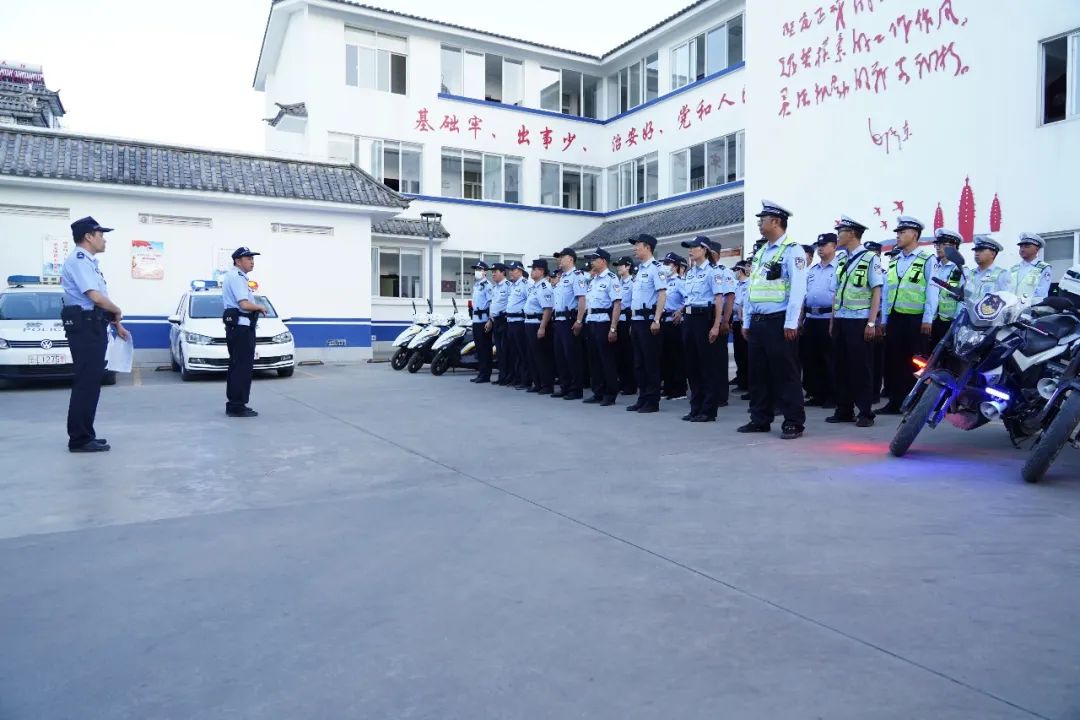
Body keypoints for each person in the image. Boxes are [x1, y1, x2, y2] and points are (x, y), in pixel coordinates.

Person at [60, 216, 130, 452]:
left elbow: (97, 303)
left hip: (94, 324)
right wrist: (118, 309)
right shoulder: (79, 260)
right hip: (86, 328)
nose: (104, 240)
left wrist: (115, 322)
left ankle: (85, 433)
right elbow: (95, 297)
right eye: (101, 235)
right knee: (86, 383)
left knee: (90, 383)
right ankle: (79, 439)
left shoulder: (88, 262)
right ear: (89, 236)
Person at [740, 200, 809, 439]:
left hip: (779, 321)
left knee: (786, 373)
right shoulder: (761, 253)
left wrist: (791, 322)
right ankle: (759, 418)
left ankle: (793, 421)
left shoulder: (793, 251)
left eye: (763, 219)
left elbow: (798, 289)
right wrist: (747, 321)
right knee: (758, 374)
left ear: (776, 221)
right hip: (758, 322)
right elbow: (752, 289)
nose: (759, 223)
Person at [877, 216, 938, 415]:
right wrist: (885, 319)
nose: (898, 236)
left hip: (916, 319)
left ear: (914, 235)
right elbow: (887, 292)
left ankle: (915, 402)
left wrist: (928, 319)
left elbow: (932, 290)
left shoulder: (927, 260)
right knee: (893, 361)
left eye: (902, 232)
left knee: (915, 363)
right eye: (898, 232)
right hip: (895, 319)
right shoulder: (895, 261)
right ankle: (895, 401)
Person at [828, 216, 882, 427]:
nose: (838, 235)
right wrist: (833, 320)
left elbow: (876, 291)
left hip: (859, 321)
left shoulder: (870, 258)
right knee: (841, 367)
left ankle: (866, 412)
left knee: (861, 368)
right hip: (841, 319)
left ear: (851, 233)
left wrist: (871, 322)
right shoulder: (841, 259)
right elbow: (836, 292)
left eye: (840, 231)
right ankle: (844, 409)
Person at [680, 237, 729, 422]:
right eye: (689, 248)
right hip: (689, 318)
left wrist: (717, 325)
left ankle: (708, 410)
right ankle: (696, 407)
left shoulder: (712, 272)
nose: (690, 251)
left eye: (693, 247)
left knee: (707, 366)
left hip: (704, 318)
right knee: (692, 365)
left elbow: (719, 300)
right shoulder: (690, 273)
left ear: (704, 250)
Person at [222, 247, 270, 418]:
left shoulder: (237, 276)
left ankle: (236, 404)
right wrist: (259, 306)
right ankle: (237, 406)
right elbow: (243, 304)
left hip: (240, 328)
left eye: (252, 258)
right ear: (238, 261)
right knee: (241, 367)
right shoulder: (236, 277)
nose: (252, 261)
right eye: (248, 258)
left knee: (237, 366)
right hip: (241, 328)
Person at [626, 233, 667, 413]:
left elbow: (662, 294)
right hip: (636, 321)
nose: (635, 248)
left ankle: (652, 401)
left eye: (638, 245)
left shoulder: (656, 269)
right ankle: (642, 398)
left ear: (648, 247)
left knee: (650, 363)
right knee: (638, 363)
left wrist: (657, 319)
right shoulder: (640, 270)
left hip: (648, 321)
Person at [802, 233, 839, 409]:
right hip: (811, 318)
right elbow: (804, 295)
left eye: (825, 245)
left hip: (828, 318)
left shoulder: (839, 268)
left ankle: (833, 395)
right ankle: (817, 393)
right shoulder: (813, 270)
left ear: (834, 246)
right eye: (819, 245)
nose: (820, 248)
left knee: (830, 359)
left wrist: (834, 320)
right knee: (812, 358)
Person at [581, 248, 622, 406]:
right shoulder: (593, 280)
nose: (592, 262)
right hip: (591, 320)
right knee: (594, 359)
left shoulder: (611, 279)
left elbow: (617, 304)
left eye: (594, 259)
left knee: (606, 359)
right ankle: (598, 391)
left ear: (603, 261)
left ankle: (610, 393)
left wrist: (613, 328)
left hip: (603, 321)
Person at [703, 239, 737, 406]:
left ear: (715, 254)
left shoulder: (724, 272)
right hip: (706, 317)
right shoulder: (702, 272)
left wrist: (725, 321)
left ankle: (721, 395)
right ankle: (708, 393)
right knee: (707, 359)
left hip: (720, 317)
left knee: (719, 358)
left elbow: (729, 297)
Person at [551, 248, 587, 400]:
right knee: (560, 356)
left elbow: (581, 300)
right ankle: (565, 386)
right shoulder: (562, 278)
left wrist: (579, 320)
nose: (559, 260)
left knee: (572, 356)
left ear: (571, 259)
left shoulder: (576, 276)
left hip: (570, 321)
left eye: (562, 257)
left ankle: (576, 388)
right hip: (558, 321)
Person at [523, 259, 556, 394]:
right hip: (529, 323)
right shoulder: (534, 286)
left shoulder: (544, 287)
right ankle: (537, 383)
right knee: (532, 356)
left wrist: (542, 327)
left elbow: (547, 309)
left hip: (537, 323)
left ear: (541, 271)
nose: (532, 272)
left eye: (534, 269)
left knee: (542, 356)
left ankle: (547, 385)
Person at [658, 252, 687, 401]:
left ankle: (679, 389)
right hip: (663, 322)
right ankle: (668, 388)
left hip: (675, 323)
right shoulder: (663, 282)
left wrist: (680, 311)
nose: (665, 267)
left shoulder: (680, 282)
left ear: (675, 266)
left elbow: (688, 299)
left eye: (668, 264)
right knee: (666, 356)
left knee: (677, 357)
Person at [929, 229, 965, 349]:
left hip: (949, 323)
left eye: (943, 244)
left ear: (954, 247)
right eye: (937, 244)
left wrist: (956, 324)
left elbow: (962, 300)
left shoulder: (960, 270)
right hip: (931, 320)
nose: (939, 247)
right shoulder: (933, 267)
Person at [613, 256, 638, 396]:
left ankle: (630, 385)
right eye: (617, 265)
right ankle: (622, 382)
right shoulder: (618, 283)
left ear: (628, 266)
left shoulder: (633, 282)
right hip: (618, 319)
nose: (618, 267)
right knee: (619, 353)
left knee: (629, 354)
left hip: (628, 317)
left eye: (621, 265)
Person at [504, 260, 531, 389]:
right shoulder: (512, 285)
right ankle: (516, 378)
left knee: (522, 352)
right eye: (510, 270)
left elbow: (529, 302)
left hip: (519, 322)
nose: (511, 272)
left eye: (513, 270)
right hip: (510, 321)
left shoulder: (525, 284)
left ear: (520, 271)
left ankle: (525, 380)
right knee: (514, 352)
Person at [964, 235, 1011, 302]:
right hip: (968, 311)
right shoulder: (970, 273)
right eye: (976, 251)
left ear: (992, 254)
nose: (977, 254)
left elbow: (1006, 299)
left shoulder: (1002, 274)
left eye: (981, 250)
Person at [1010, 233, 1053, 304]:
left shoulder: (1043, 267)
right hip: (1011, 309)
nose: (1022, 249)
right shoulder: (1014, 268)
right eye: (1021, 247)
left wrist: (1022, 303)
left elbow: (1041, 294)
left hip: (1030, 310)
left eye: (1027, 246)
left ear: (1037, 249)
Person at [488, 263, 511, 386]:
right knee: (499, 351)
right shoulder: (495, 287)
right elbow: (493, 305)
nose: (493, 274)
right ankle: (502, 376)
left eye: (495, 271)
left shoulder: (508, 286)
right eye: (492, 272)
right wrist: (490, 320)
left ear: (503, 272)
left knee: (505, 350)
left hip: (505, 320)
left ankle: (508, 376)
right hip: (496, 320)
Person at [469, 261, 493, 384]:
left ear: (485, 271)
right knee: (479, 348)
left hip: (483, 320)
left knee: (485, 349)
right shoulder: (477, 285)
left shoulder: (487, 285)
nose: (477, 271)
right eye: (476, 268)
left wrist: (490, 321)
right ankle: (481, 373)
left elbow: (491, 304)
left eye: (479, 269)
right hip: (476, 320)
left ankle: (485, 374)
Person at [730, 261, 750, 393]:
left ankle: (748, 383)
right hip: (736, 322)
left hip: (745, 322)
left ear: (741, 270)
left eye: (736, 269)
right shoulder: (736, 285)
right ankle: (741, 379)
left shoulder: (749, 284)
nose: (734, 272)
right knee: (738, 353)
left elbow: (742, 303)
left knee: (746, 354)